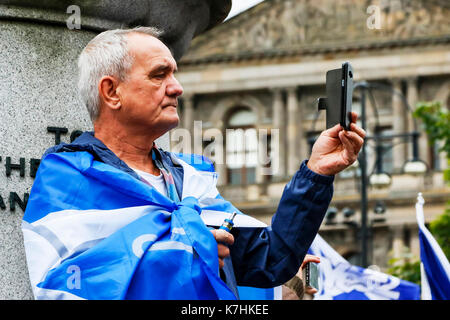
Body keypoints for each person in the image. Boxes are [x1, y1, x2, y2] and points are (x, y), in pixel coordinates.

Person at [21, 27, 366, 300]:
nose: (178, 88)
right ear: (112, 92)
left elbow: (271, 259)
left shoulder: (190, 180)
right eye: (159, 75)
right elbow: (62, 286)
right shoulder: (69, 179)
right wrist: (189, 251)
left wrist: (316, 172)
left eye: (174, 74)